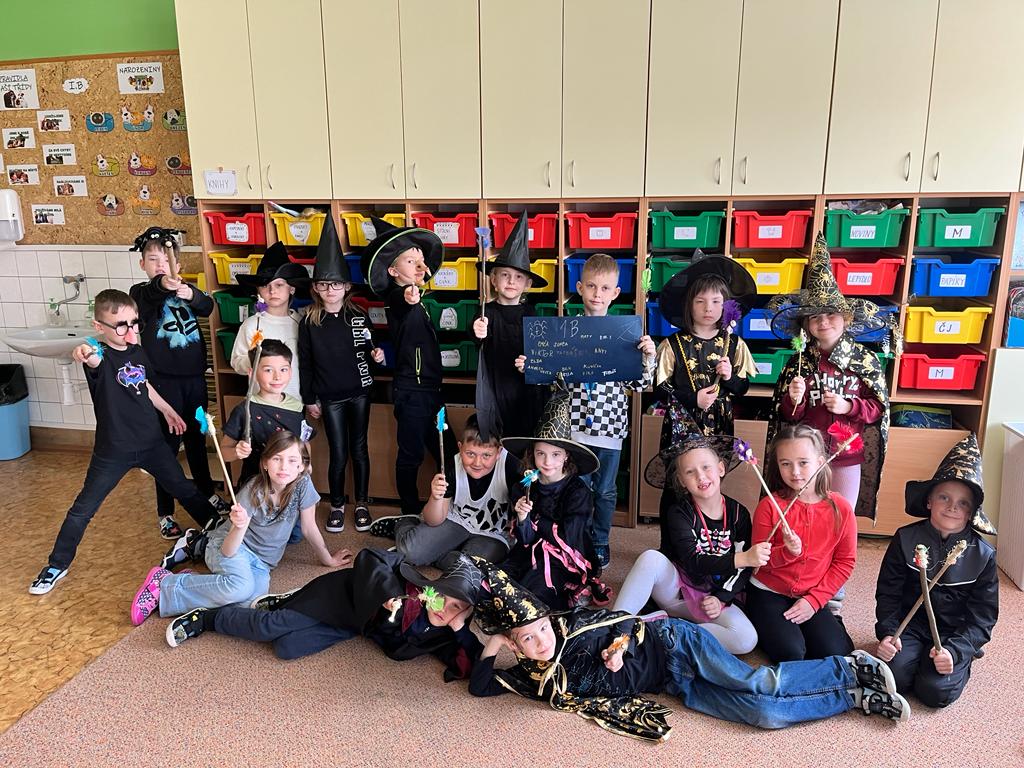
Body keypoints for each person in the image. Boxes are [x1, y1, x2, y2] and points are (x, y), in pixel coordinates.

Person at [468, 561, 909, 741]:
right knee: (762, 715)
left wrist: (619, 647)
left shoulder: (571, 626)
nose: (543, 640)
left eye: (542, 627)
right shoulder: (531, 677)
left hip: (674, 642)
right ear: (515, 645)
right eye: (528, 638)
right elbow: (480, 687)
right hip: (673, 683)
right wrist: (496, 640)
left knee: (757, 681)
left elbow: (625, 620)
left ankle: (847, 667)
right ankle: (853, 695)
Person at [29, 289, 217, 595]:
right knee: (82, 509)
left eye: (134, 323)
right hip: (114, 450)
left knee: (185, 489)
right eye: (120, 326)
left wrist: (168, 410)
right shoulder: (100, 357)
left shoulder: (138, 352)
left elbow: (145, 385)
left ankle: (220, 530)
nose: (129, 331)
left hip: (152, 443)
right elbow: (89, 355)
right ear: (99, 326)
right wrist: (83, 350)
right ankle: (56, 565)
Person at [517, 253, 655, 569]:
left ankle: (600, 541)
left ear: (615, 293)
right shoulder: (565, 331)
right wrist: (533, 366)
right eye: (591, 286)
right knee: (577, 488)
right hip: (573, 427)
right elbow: (552, 378)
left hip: (610, 427)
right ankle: (576, 539)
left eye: (605, 288)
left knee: (604, 491)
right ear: (579, 288)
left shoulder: (626, 333)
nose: (597, 294)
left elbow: (640, 384)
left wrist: (648, 357)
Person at [130, 431, 351, 624]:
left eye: (292, 460)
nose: (285, 467)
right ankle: (165, 584)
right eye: (277, 458)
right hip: (229, 546)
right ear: (265, 463)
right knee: (239, 588)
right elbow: (228, 551)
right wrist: (238, 526)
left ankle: (198, 583)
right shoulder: (253, 490)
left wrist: (328, 559)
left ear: (301, 466)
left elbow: (309, 528)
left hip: (263, 563)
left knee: (249, 606)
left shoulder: (303, 484)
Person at [164, 548, 482, 682]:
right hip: (339, 598)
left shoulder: (444, 635)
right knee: (268, 627)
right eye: (445, 597)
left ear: (466, 614)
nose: (445, 608)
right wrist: (385, 595)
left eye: (457, 608)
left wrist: (461, 632)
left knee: (286, 648)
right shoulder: (410, 589)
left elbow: (471, 667)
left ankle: (286, 601)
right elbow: (371, 556)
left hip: (351, 626)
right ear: (435, 589)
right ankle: (207, 618)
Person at [767, 233, 891, 519]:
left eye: (831, 314)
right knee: (807, 516)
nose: (823, 321)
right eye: (815, 316)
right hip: (805, 459)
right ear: (806, 325)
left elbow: (878, 409)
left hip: (846, 456)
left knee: (841, 516)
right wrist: (794, 400)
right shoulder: (798, 363)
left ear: (846, 319)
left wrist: (849, 406)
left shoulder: (865, 361)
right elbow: (786, 417)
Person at [874, 434, 998, 709]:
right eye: (944, 497)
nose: (952, 507)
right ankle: (913, 658)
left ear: (971, 513)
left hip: (953, 633)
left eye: (963, 503)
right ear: (929, 501)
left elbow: (983, 617)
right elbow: (888, 593)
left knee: (934, 692)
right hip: (909, 626)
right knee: (893, 677)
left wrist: (956, 651)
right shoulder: (905, 539)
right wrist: (888, 633)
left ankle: (960, 661)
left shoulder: (983, 555)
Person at [615, 433, 768, 655]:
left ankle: (668, 632)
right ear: (681, 481)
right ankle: (615, 625)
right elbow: (693, 560)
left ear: (721, 468)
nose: (700, 476)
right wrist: (743, 558)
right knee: (650, 558)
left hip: (714, 598)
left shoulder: (738, 513)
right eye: (690, 472)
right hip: (677, 592)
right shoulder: (679, 512)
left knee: (746, 639)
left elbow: (743, 571)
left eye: (706, 467)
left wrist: (721, 598)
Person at [129, 226, 224, 539]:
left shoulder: (186, 291)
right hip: (164, 383)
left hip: (194, 379)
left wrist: (191, 293)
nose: (160, 265)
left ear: (177, 265)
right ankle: (165, 512)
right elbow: (151, 293)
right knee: (167, 448)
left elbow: (207, 307)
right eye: (153, 260)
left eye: (165, 260)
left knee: (198, 439)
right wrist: (163, 283)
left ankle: (206, 493)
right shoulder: (139, 294)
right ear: (142, 264)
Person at [296, 215, 384, 533]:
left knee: (359, 450)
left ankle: (361, 503)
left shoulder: (358, 315)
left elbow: (370, 350)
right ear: (315, 288)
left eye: (336, 284)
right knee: (338, 452)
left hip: (360, 393)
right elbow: (305, 363)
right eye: (323, 284)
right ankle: (336, 504)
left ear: (346, 286)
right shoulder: (309, 321)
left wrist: (378, 357)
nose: (329, 290)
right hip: (329, 397)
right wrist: (310, 399)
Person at [746, 423, 856, 662]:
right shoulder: (769, 506)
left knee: (836, 653)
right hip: (768, 591)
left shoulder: (842, 509)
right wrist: (786, 552)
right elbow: (758, 562)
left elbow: (845, 562)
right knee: (792, 653)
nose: (795, 472)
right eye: (785, 463)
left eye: (803, 462)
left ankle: (828, 617)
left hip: (811, 593)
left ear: (820, 462)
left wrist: (814, 601)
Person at [361, 217, 447, 516]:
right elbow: (403, 298)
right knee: (411, 455)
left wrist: (416, 286)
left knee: (447, 451)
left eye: (422, 261)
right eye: (411, 261)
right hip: (413, 390)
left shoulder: (419, 300)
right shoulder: (399, 296)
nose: (420, 267)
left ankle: (446, 507)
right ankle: (409, 512)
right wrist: (409, 293)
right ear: (393, 271)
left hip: (430, 389)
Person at [502, 394, 609, 610]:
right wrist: (522, 518)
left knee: (535, 592)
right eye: (540, 453)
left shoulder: (578, 492)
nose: (547, 461)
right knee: (501, 584)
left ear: (566, 456)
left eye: (555, 454)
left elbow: (569, 538)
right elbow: (525, 540)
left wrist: (536, 521)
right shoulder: (523, 487)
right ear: (532, 454)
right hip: (528, 551)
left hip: (566, 556)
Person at [373, 414, 521, 566]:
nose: (477, 463)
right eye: (470, 454)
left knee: (469, 567)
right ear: (460, 448)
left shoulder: (511, 467)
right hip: (457, 521)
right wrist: (435, 498)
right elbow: (433, 520)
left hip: (492, 533)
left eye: (486, 455)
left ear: (499, 452)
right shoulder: (452, 466)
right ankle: (404, 524)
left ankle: (439, 554)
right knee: (410, 553)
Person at [653, 251, 757, 448]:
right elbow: (660, 390)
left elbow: (742, 388)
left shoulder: (734, 344)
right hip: (682, 424)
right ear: (689, 304)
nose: (708, 308)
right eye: (700, 301)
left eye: (716, 301)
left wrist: (729, 377)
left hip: (720, 425)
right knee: (683, 466)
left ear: (726, 305)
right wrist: (693, 399)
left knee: (715, 467)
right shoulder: (672, 345)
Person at [472, 211, 547, 440]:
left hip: (527, 391)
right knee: (501, 441)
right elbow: (476, 334)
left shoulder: (531, 313)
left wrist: (532, 364)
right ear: (493, 280)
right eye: (505, 275)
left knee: (527, 439)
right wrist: (478, 331)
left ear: (528, 284)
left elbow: (541, 351)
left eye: (518, 277)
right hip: (496, 389)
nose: (511, 281)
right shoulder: (486, 312)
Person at [230, 241, 308, 402]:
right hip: (261, 404)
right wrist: (255, 357)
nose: (272, 291)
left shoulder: (302, 324)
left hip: (296, 402)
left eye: (279, 284)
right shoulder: (252, 325)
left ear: (291, 288)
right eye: (265, 285)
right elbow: (237, 363)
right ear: (258, 290)